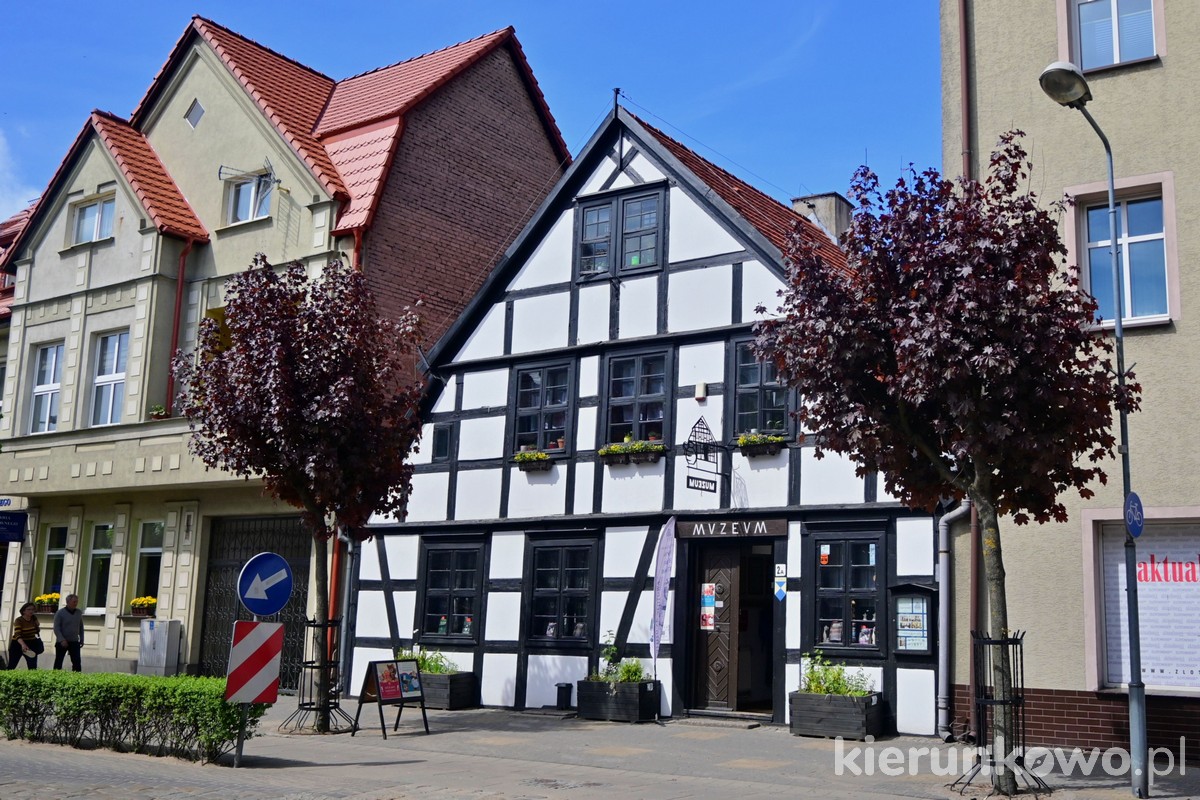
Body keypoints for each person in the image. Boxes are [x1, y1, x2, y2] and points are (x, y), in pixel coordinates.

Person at [53, 593, 83, 672]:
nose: (75, 603)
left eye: (76, 602)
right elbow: (56, 628)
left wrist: (82, 638)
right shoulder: (60, 613)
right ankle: (56, 677)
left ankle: (76, 678)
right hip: (62, 642)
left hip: (74, 641)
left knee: (76, 662)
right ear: (68, 602)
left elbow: (80, 626)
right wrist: (62, 639)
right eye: (74, 602)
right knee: (59, 661)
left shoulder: (78, 613)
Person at [7, 602, 41, 670]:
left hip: (31, 643)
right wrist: (23, 645)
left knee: (32, 667)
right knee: (12, 665)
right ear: (23, 611)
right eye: (29, 609)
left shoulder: (34, 619)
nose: (31, 611)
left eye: (33, 609)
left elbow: (37, 631)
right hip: (18, 644)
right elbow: (17, 634)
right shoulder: (19, 620)